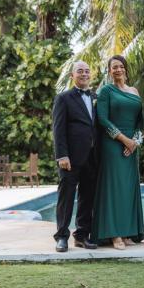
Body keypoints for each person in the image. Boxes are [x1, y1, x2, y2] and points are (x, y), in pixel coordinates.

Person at [91, 55, 144, 250]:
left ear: (126, 69)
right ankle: (114, 235)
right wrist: (124, 140)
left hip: (132, 146)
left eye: (121, 66)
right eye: (114, 67)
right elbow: (102, 120)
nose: (118, 70)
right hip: (113, 144)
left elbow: (140, 121)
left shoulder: (135, 91)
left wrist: (135, 142)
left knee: (129, 188)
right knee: (114, 188)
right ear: (109, 71)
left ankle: (128, 231)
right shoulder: (106, 91)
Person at [52, 61, 98, 252]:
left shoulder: (96, 97)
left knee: (88, 197)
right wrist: (62, 155)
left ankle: (81, 235)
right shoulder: (63, 98)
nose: (84, 74)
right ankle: (61, 236)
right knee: (66, 197)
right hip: (70, 158)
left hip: (93, 157)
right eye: (80, 71)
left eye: (87, 71)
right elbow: (58, 129)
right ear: (73, 75)